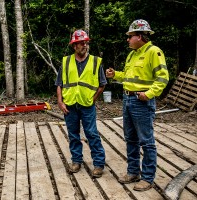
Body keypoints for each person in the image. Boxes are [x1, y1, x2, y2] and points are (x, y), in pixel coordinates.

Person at [106, 19, 169, 191]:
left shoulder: (153, 52)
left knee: (146, 141)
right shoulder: (132, 54)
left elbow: (163, 78)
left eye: (130, 36)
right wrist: (115, 75)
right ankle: (133, 172)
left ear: (140, 36)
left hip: (142, 102)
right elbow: (128, 76)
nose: (128, 39)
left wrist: (148, 94)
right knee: (130, 139)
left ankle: (147, 178)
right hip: (128, 100)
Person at [55, 29, 106, 178]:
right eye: (80, 43)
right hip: (70, 105)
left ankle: (98, 164)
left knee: (92, 134)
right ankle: (76, 161)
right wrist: (60, 101)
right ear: (74, 46)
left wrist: (93, 99)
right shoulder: (66, 61)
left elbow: (102, 84)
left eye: (85, 42)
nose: (84, 45)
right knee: (73, 135)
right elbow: (59, 84)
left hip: (87, 105)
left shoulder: (96, 62)